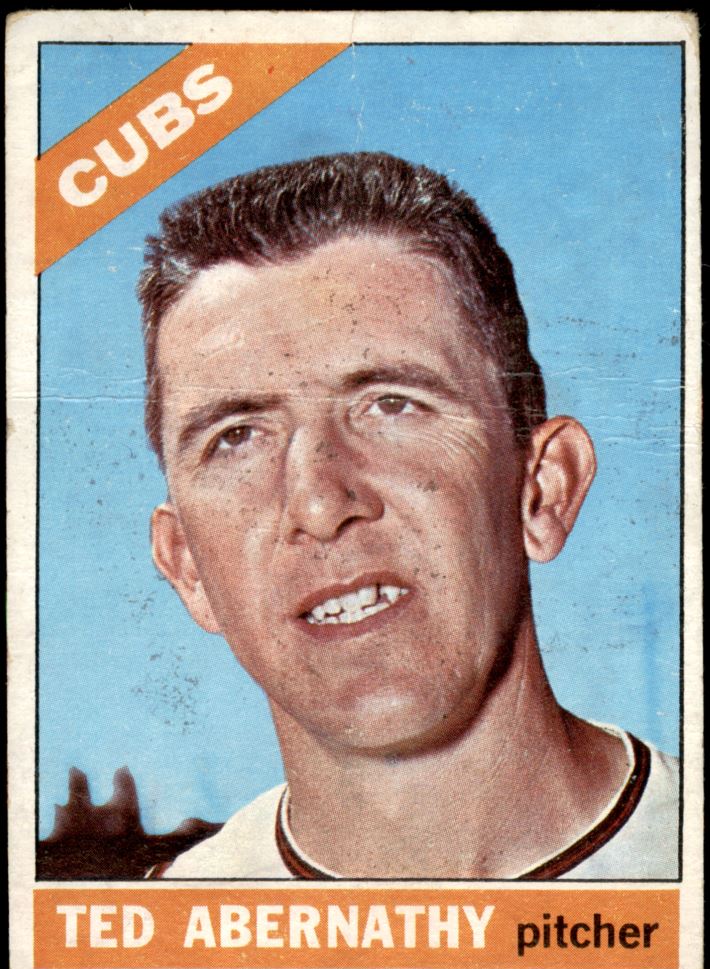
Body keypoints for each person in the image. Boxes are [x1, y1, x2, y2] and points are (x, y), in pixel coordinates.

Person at [138, 152, 678, 880]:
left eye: (392, 405)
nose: (320, 504)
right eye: (237, 437)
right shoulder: (164, 924)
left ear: (543, 490)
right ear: (187, 567)